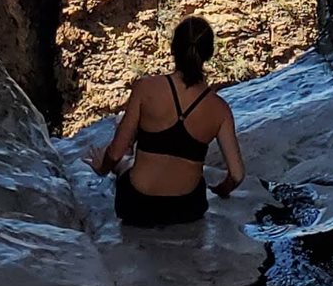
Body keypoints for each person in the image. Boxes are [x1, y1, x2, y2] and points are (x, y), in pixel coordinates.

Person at [84, 13, 245, 227]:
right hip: (187, 209)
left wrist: (102, 168)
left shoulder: (145, 88)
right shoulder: (220, 109)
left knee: (124, 163)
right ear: (209, 54)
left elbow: (115, 152)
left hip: (137, 205)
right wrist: (221, 191)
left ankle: (133, 152)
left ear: (172, 49)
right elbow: (237, 174)